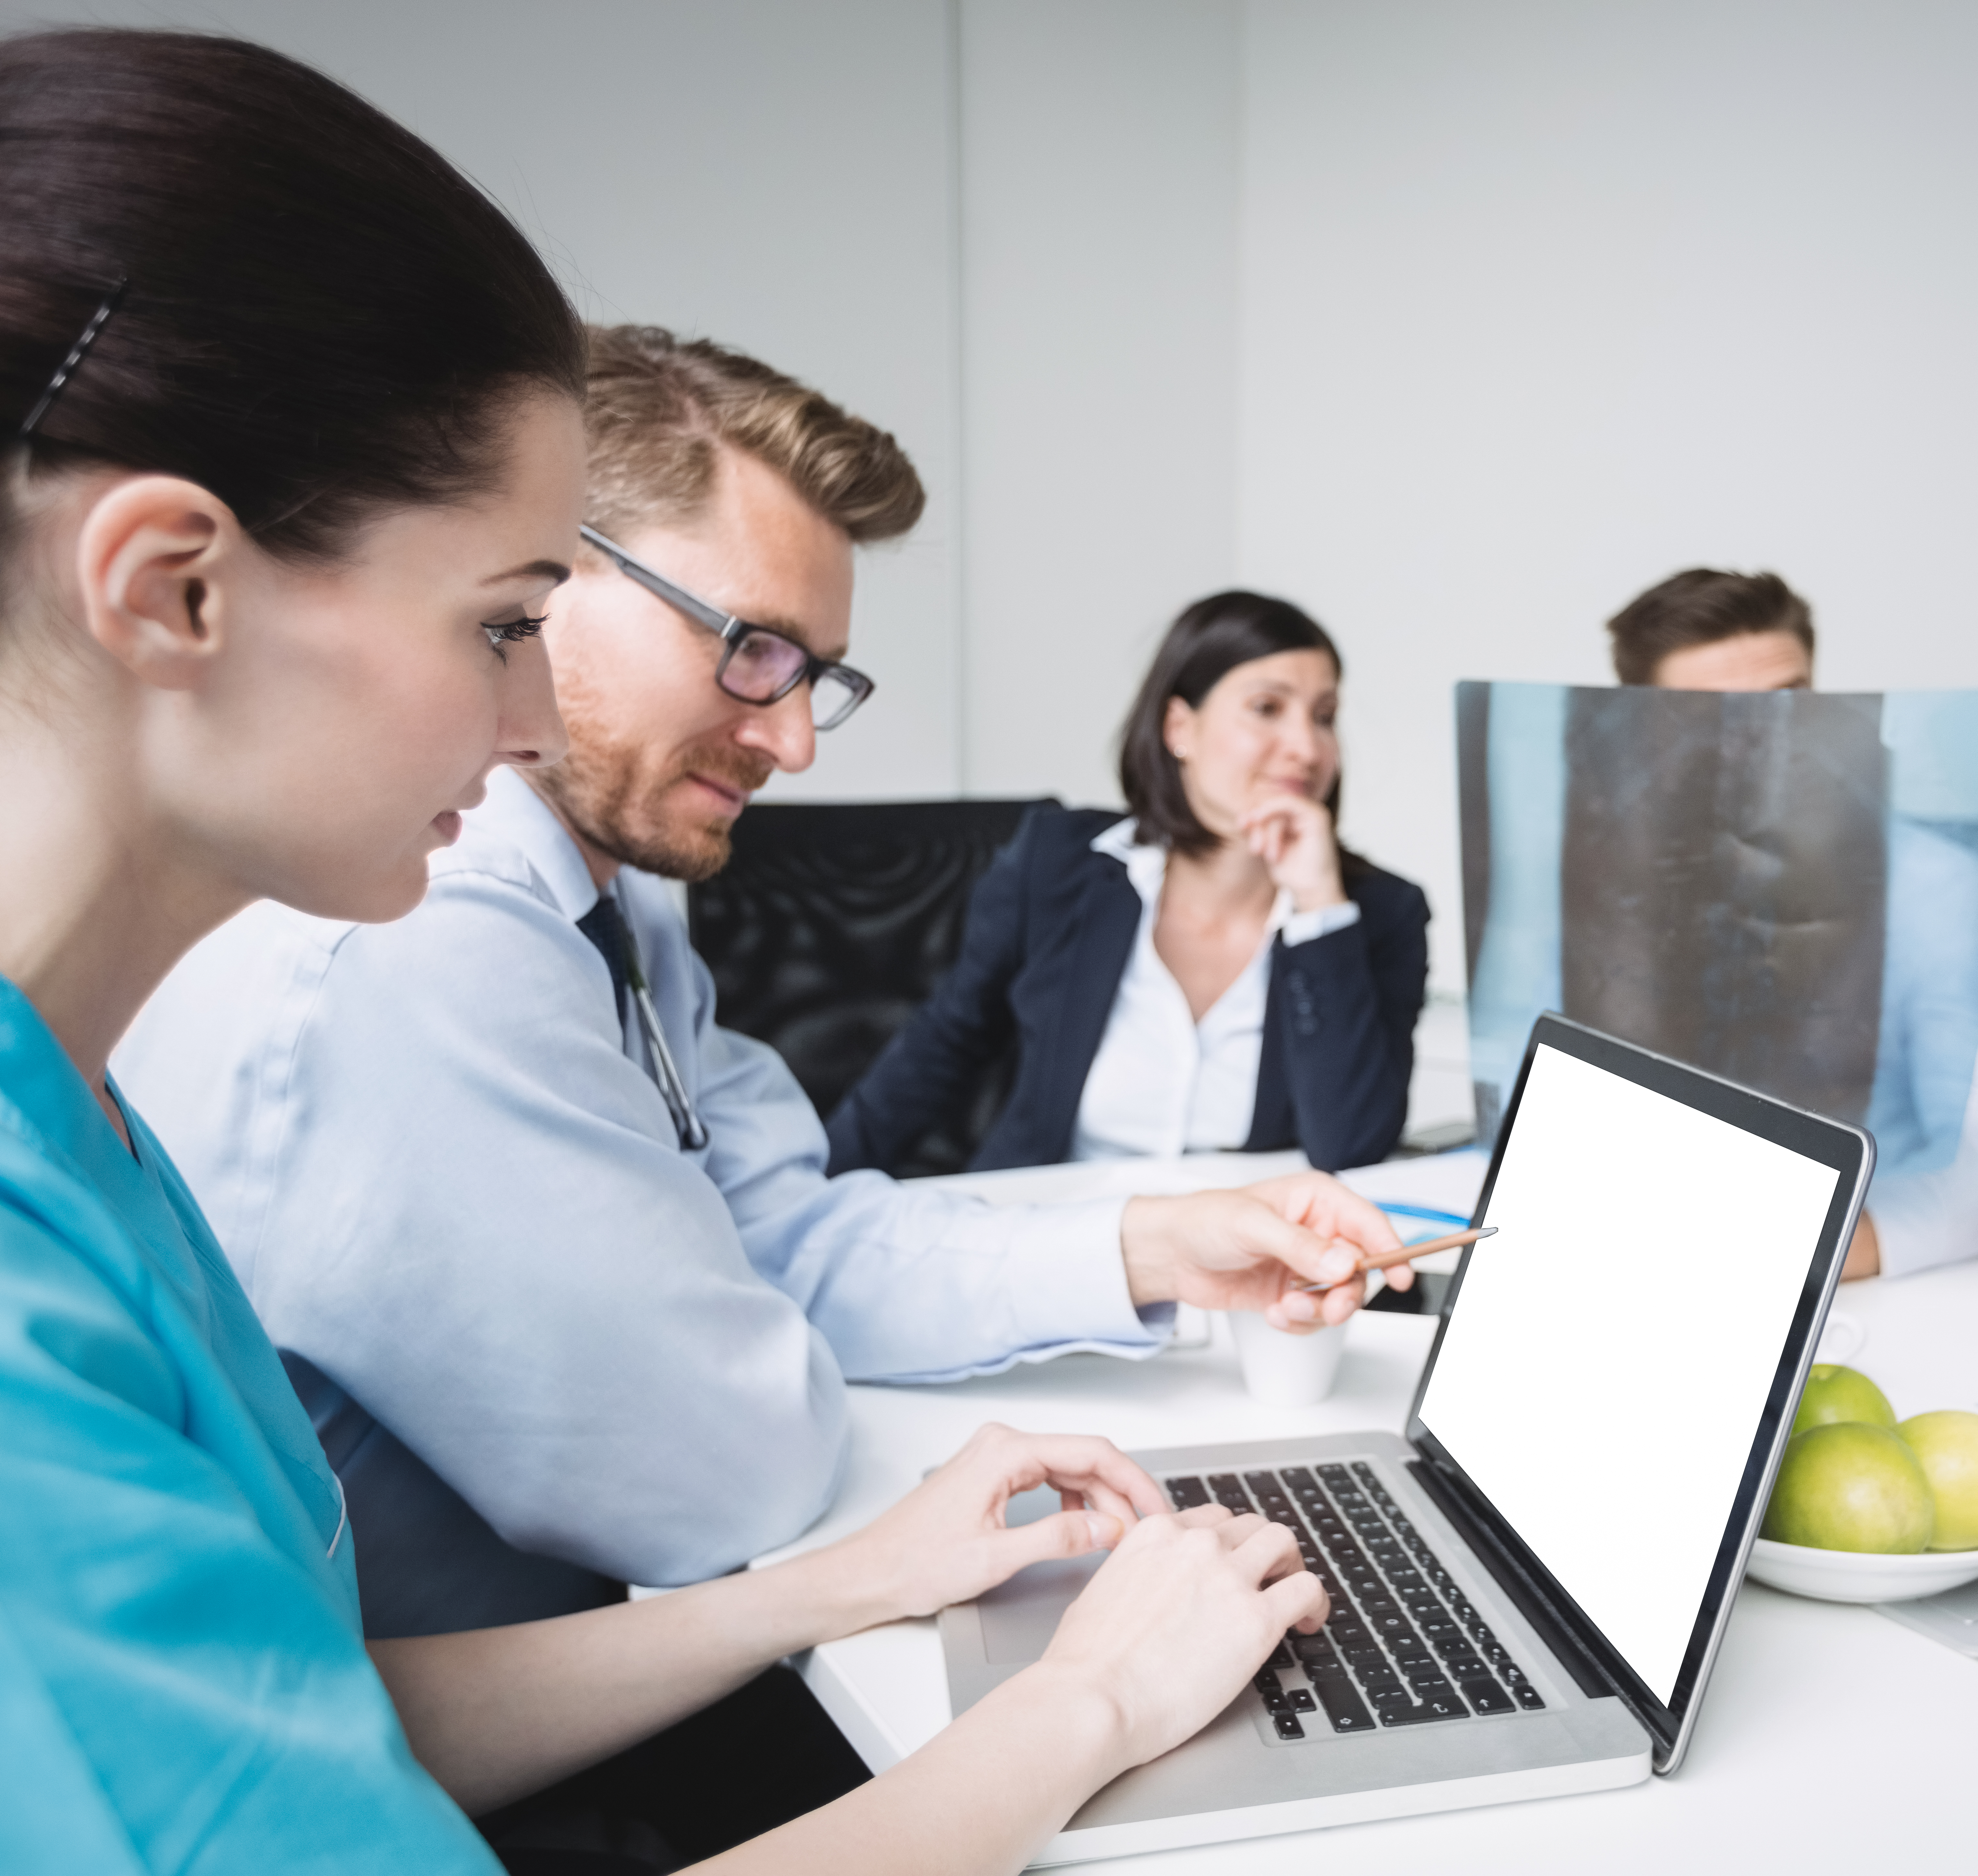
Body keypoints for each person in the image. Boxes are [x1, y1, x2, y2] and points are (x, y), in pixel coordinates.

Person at [0, 29, 1329, 1876]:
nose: (528, 712)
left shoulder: (72, 1129)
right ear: (173, 590)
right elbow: (721, 1450)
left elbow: (321, 1709)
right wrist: (1084, 1704)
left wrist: (838, 1584)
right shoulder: (287, 1046)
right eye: (502, 622)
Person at [113, 326, 1407, 1640]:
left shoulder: (620, 901)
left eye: (817, 678)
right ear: (551, 576)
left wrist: (1154, 1242)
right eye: (751, 647)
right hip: (460, 1764)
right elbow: (714, 1469)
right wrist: (755, 1306)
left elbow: (795, 1237)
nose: (792, 737)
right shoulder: (420, 938)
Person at [826, 590, 1429, 1176]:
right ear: (1179, 729)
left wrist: (1318, 907)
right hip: (1056, 1237)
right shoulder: (1059, 864)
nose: (1307, 747)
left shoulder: (1376, 914)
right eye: (1268, 708)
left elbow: (1350, 1148)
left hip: (1246, 1257)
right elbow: (941, 1051)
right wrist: (802, 1197)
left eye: (1324, 717)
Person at [1606, 568, 1978, 1278]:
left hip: (1871, 1283)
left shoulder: (1947, 891)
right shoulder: (1606, 895)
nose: (1765, 741)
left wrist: (1817, 1256)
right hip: (1644, 1264)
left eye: (1791, 704)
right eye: (1711, 718)